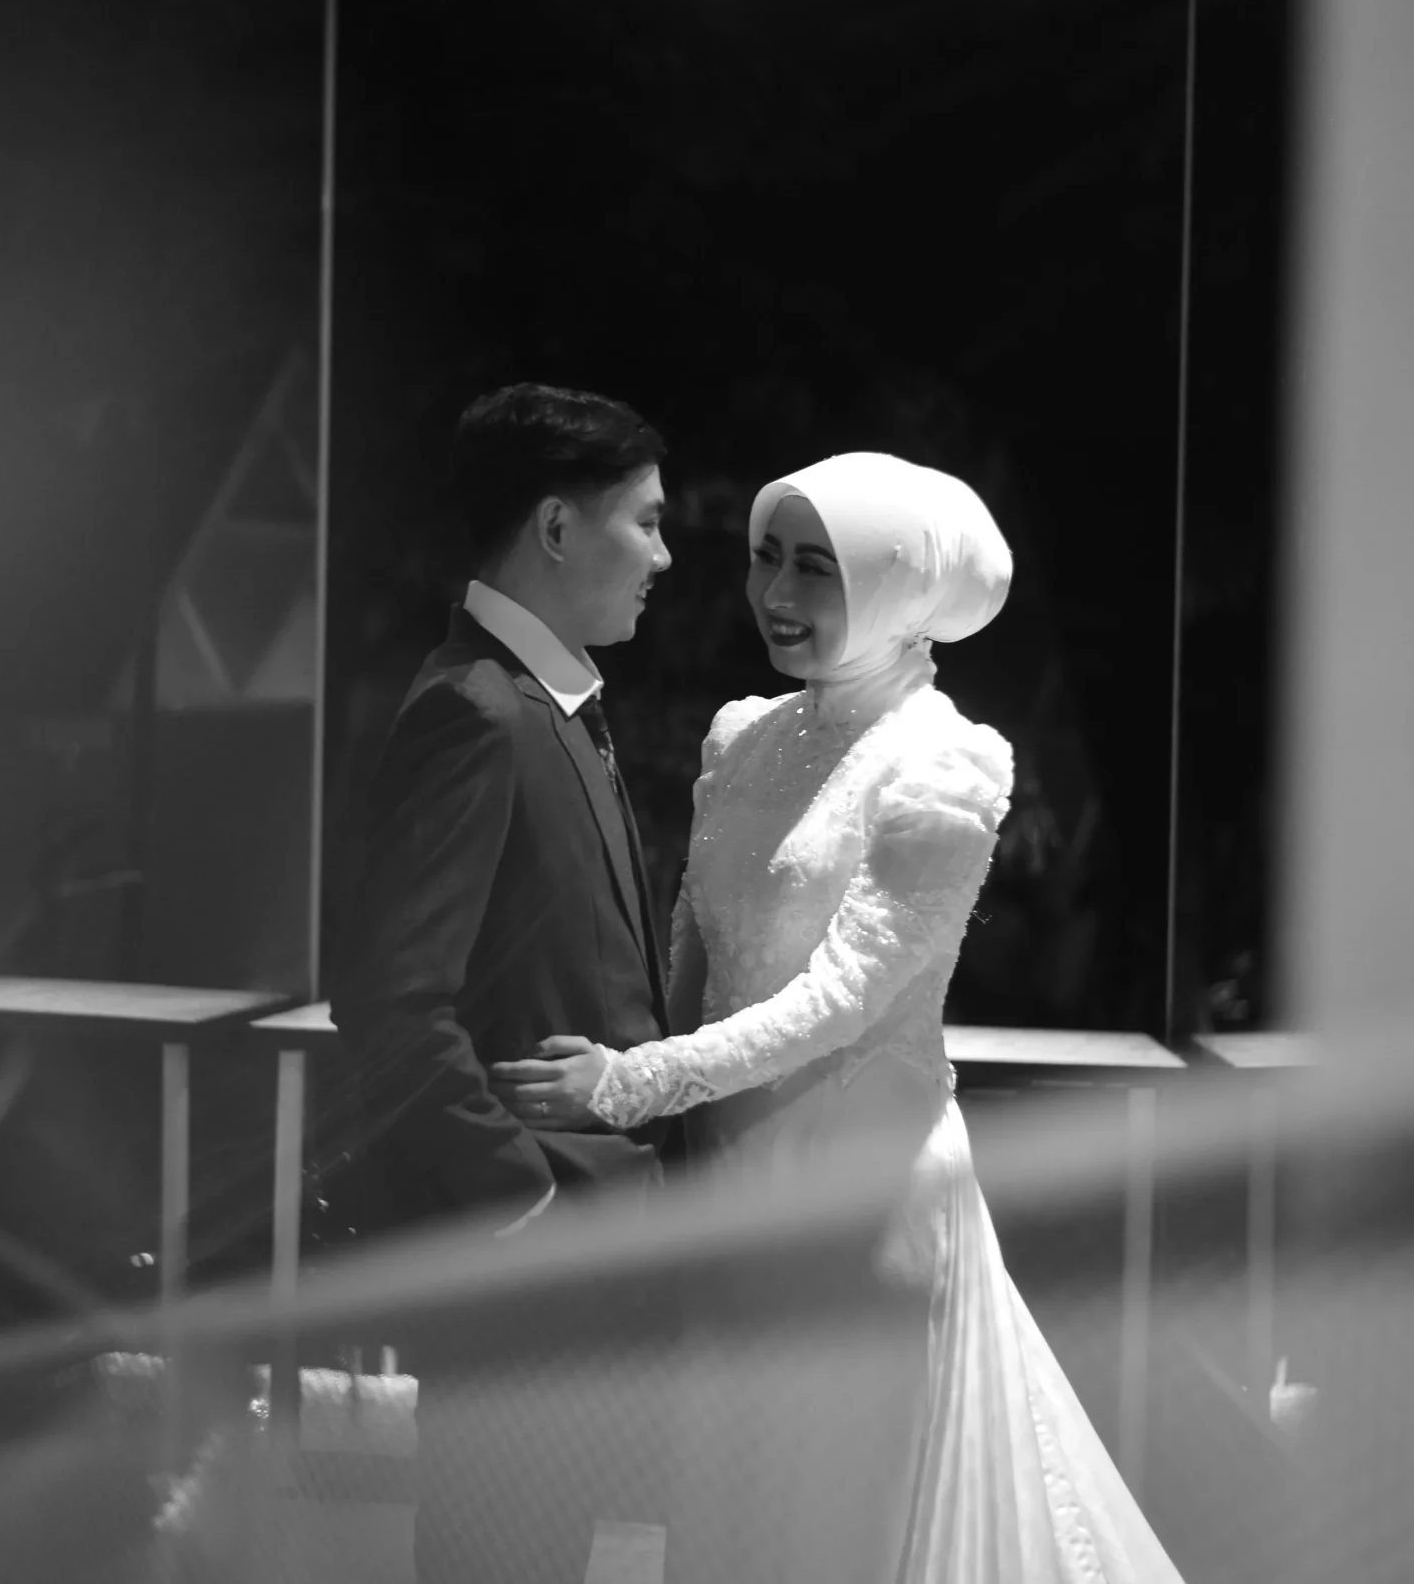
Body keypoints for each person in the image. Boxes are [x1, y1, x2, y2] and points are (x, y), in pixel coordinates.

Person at [494, 452, 1187, 1584]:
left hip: (861, 1207)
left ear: (894, 582)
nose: (776, 592)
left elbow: (842, 998)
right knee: (725, 1524)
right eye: (767, 556)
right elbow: (690, 948)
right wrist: (648, 1136)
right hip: (728, 1199)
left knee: (832, 1533)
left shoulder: (946, 760)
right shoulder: (743, 735)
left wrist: (626, 1082)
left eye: (817, 567)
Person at [329, 382, 682, 1584]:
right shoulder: (478, 712)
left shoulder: (550, 707)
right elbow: (390, 1001)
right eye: (646, 521)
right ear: (556, 527)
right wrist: (520, 1201)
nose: (664, 557)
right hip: (523, 1259)